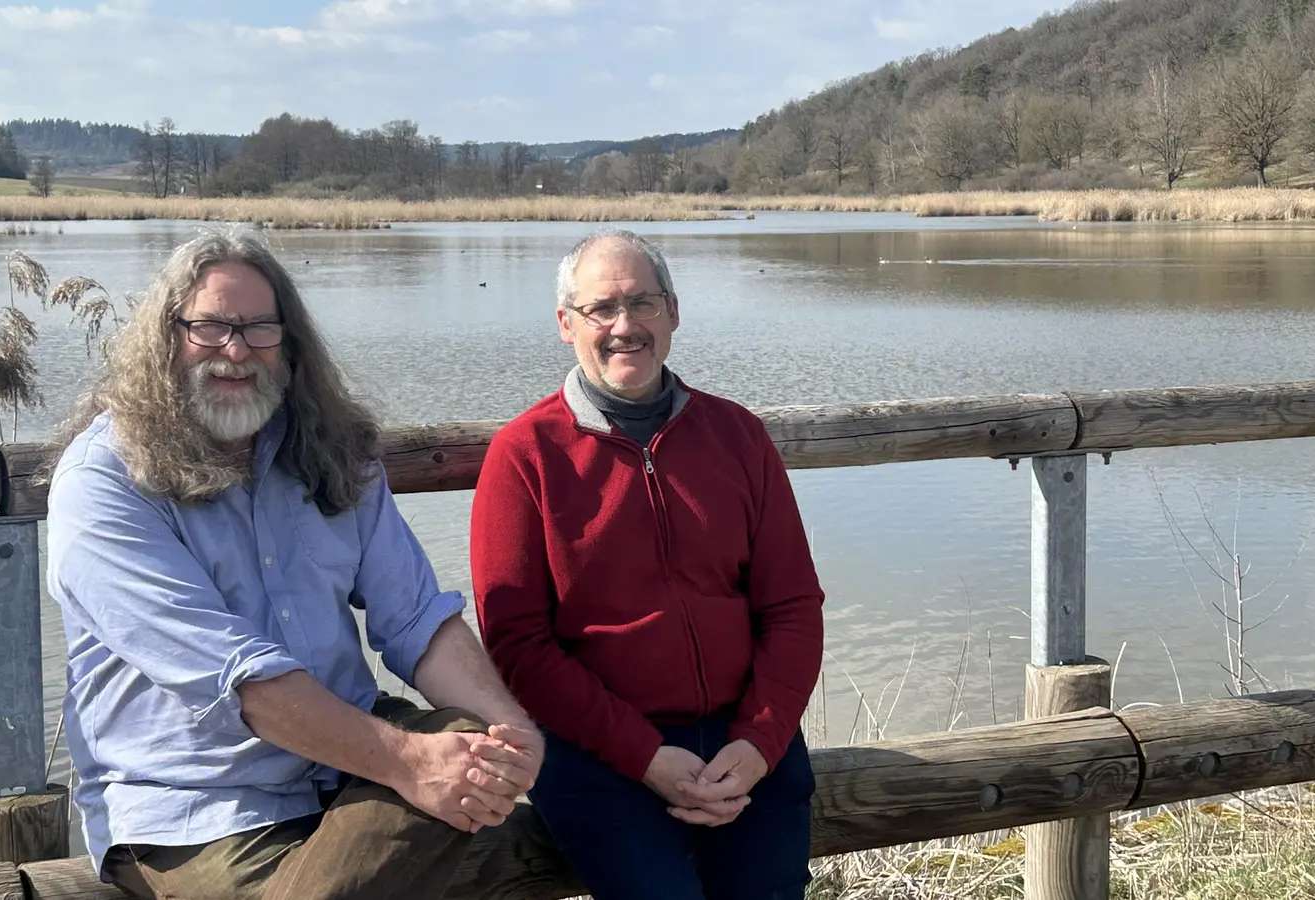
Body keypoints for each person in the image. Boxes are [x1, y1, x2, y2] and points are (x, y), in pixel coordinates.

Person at [40, 228, 543, 900]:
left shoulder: (331, 452)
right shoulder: (105, 482)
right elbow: (238, 680)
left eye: (259, 328)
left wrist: (516, 736)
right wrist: (411, 763)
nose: (237, 351)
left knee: (474, 742)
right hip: (201, 809)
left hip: (349, 775)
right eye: (211, 327)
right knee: (469, 803)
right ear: (166, 336)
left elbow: (417, 618)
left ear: (291, 341)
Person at [468, 227, 825, 900]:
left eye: (643, 303)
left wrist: (759, 743)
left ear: (674, 312)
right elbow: (519, 645)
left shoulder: (737, 435)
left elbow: (793, 607)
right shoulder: (525, 454)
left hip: (744, 741)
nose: (624, 326)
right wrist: (645, 757)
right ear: (566, 323)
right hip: (599, 754)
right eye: (602, 308)